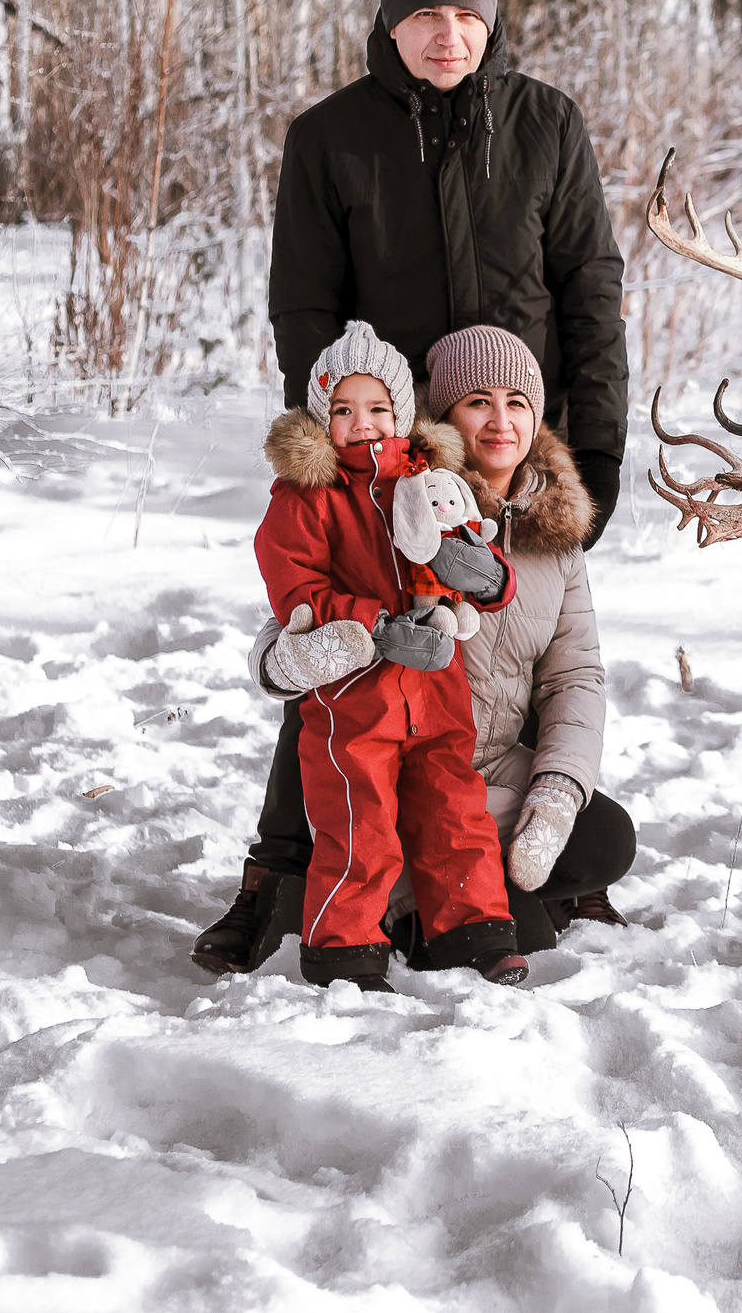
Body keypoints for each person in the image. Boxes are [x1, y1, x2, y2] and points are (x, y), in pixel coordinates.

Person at [192, 0, 629, 975]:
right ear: (390, 22)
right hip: (385, 460)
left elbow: (591, 296)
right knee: (345, 654)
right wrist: (348, 449)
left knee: (502, 654)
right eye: (426, 13)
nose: (447, 34)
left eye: (466, 14)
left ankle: (476, 866)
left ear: (491, 21)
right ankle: (275, 875)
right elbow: (305, 306)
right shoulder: (329, 138)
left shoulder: (545, 124)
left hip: (509, 443)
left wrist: (594, 459)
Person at [247, 324, 634, 958]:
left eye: (517, 402)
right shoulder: (397, 498)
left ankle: (460, 896)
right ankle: (399, 904)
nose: (500, 421)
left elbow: (576, 677)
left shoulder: (555, 538)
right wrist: (294, 655)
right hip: (391, 757)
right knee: (520, 926)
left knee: (604, 837)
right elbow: (291, 611)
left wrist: (558, 791)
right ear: (444, 415)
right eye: (478, 401)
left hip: (478, 766)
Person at [253, 321, 526, 991]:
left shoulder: (430, 480)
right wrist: (374, 623)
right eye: (343, 410)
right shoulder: (306, 498)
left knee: (454, 811)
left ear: (401, 413)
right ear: (323, 417)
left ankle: (475, 930)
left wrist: (486, 576)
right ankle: (344, 950)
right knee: (358, 822)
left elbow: (471, 547)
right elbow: (299, 590)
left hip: (436, 688)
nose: (362, 423)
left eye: (377, 408)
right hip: (354, 698)